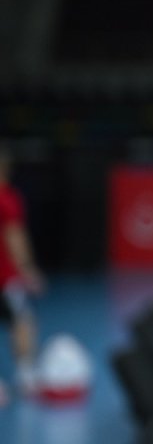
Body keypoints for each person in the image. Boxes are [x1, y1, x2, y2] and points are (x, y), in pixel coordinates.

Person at [0, 146, 43, 406]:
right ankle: (27, 378)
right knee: (22, 321)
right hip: (5, 279)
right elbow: (14, 236)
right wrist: (27, 269)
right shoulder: (7, 198)